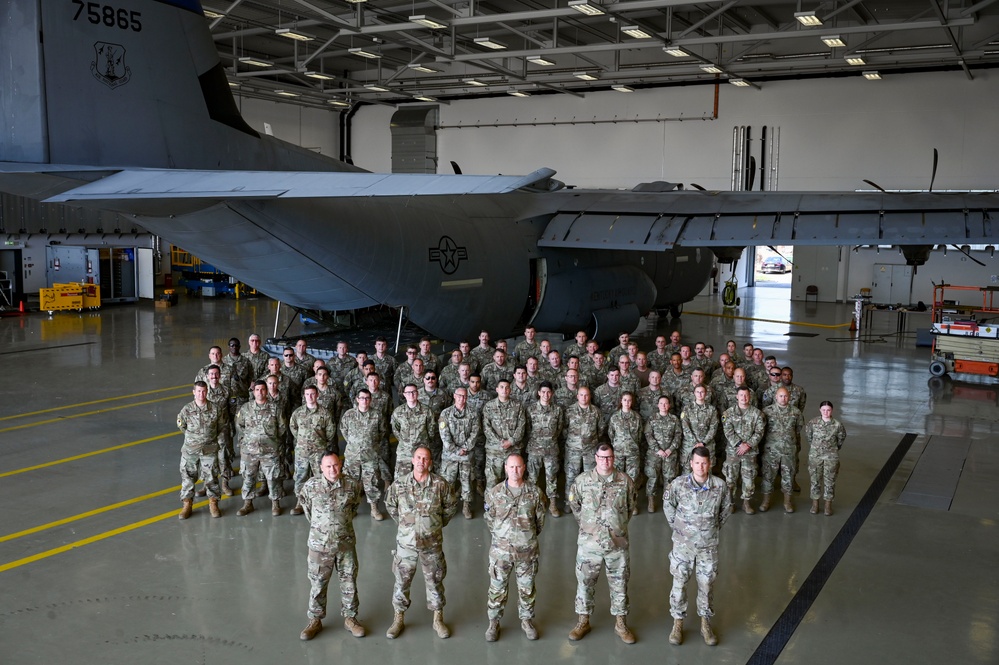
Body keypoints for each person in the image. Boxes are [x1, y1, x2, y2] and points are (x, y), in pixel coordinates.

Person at [566, 444, 638, 644]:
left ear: (613, 458)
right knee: (585, 583)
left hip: (617, 543)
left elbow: (631, 506)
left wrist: (617, 526)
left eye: (609, 457)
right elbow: (575, 505)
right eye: (601, 457)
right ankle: (583, 621)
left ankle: (621, 624)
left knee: (619, 584)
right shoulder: (582, 481)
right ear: (595, 458)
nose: (605, 461)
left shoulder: (625, 482)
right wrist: (589, 526)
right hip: (590, 545)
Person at [384, 447, 459, 639]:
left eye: (425, 458)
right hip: (406, 544)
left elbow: (450, 507)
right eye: (418, 457)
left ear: (430, 462)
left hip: (431, 544)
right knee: (402, 581)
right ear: (412, 460)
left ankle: (438, 619)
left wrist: (435, 524)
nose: (421, 461)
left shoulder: (440, 485)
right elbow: (391, 505)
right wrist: (405, 525)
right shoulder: (399, 484)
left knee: (435, 581)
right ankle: (398, 619)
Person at [663, 447, 732, 647]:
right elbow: (669, 506)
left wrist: (710, 529)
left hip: (707, 547)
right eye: (697, 463)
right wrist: (679, 528)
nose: (701, 467)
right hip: (682, 546)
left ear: (709, 464)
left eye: (704, 463)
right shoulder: (678, 485)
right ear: (690, 463)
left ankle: (705, 623)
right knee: (679, 584)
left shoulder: (720, 486)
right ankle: (677, 623)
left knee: (707, 584)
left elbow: (726, 510)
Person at [298, 452, 366, 641]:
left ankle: (351, 618)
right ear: (321, 467)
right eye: (328, 466)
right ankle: (315, 620)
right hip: (319, 546)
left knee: (349, 583)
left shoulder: (352, 485)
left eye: (335, 465)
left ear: (340, 464)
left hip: (345, 545)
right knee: (318, 584)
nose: (332, 469)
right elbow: (307, 510)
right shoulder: (311, 486)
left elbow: (353, 508)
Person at [483, 454, 547, 641]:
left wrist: (525, 537)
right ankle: (493, 623)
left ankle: (526, 621)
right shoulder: (495, 493)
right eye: (511, 467)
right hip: (501, 552)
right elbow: (489, 519)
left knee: (527, 589)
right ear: (505, 468)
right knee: (497, 588)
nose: (515, 470)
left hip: (527, 552)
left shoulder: (535, 493)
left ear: (524, 467)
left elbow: (540, 521)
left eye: (518, 467)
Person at [234, 380, 288, 516]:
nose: (260, 392)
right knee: (248, 476)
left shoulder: (275, 408)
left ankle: (275, 504)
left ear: (266, 391)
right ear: (253, 392)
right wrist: (246, 441)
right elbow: (239, 425)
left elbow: (282, 427)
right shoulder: (246, 408)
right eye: (257, 390)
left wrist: (271, 440)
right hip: (249, 451)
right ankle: (247, 503)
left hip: (270, 450)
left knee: (273, 477)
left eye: (263, 389)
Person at [176, 380, 224, 519]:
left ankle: (213, 503)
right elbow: (182, 426)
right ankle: (187, 504)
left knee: (211, 477)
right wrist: (194, 439)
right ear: (194, 392)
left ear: (207, 392)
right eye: (198, 391)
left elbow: (221, 426)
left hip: (209, 450)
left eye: (203, 391)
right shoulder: (186, 410)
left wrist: (208, 438)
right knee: (188, 478)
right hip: (190, 450)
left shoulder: (215, 409)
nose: (201, 394)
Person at [289, 385, 337, 515]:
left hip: (319, 452)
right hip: (302, 452)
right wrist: (302, 440)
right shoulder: (298, 413)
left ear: (317, 395)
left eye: (312, 394)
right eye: (307, 394)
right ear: (304, 396)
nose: (310, 397)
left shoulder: (325, 413)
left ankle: (321, 502)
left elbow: (330, 432)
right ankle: (300, 502)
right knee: (300, 477)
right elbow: (293, 427)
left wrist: (321, 443)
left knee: (321, 477)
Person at [340, 389, 387, 520]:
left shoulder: (377, 415)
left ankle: (374, 508)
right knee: (351, 482)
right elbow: (344, 430)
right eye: (362, 398)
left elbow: (382, 431)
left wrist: (371, 444)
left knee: (372, 481)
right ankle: (351, 508)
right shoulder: (349, 414)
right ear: (357, 399)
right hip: (352, 455)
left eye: (367, 398)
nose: (364, 401)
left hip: (370, 455)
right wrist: (354, 443)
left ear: (370, 399)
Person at [721, 386, 766, 514]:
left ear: (749, 397)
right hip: (733, 451)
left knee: (749, 479)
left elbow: (759, 431)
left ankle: (746, 503)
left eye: (746, 395)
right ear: (737, 396)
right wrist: (740, 444)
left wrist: (748, 445)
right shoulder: (728, 413)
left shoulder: (757, 414)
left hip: (750, 452)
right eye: (741, 395)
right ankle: (730, 503)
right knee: (730, 478)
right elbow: (728, 431)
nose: (744, 398)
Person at [438, 387, 481, 519]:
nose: (462, 398)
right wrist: (456, 450)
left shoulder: (473, 413)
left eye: (464, 396)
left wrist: (465, 448)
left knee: (467, 482)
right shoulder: (445, 413)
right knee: (447, 481)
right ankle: (447, 505)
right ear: (454, 396)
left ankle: (466, 506)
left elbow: (475, 433)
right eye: (459, 396)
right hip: (449, 455)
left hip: (466, 455)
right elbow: (444, 435)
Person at [760, 388, 804, 513]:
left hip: (788, 450)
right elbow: (761, 430)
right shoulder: (767, 412)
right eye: (781, 396)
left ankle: (787, 502)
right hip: (771, 450)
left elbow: (798, 428)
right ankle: (766, 501)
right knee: (768, 476)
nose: (783, 398)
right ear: (775, 397)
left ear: (789, 397)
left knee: (788, 476)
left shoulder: (796, 412)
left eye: (785, 396)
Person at [525, 381, 565, 516]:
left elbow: (559, 428)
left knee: (551, 477)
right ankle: (532, 503)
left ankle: (552, 504)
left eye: (548, 392)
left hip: (551, 449)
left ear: (552, 394)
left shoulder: (558, 410)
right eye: (543, 392)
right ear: (539, 393)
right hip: (534, 449)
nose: (546, 395)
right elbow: (528, 428)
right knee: (532, 478)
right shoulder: (530, 409)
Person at [481, 379, 527, 488]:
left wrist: (511, 441)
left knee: (514, 480)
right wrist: (500, 442)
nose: (504, 390)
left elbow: (522, 426)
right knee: (492, 481)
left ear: (510, 390)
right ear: (497, 389)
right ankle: (489, 504)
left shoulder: (518, 406)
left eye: (507, 387)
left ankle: (511, 504)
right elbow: (486, 427)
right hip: (494, 450)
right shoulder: (489, 406)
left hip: (513, 450)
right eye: (501, 387)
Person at [805, 401, 847, 516]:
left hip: (831, 457)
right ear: (820, 410)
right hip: (815, 456)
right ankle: (815, 504)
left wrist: (833, 449)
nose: (826, 412)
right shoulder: (813, 423)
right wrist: (816, 449)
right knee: (815, 480)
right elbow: (809, 437)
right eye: (823, 410)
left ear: (832, 411)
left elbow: (841, 439)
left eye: (828, 410)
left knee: (830, 481)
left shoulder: (837, 425)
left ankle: (828, 505)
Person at [644, 395, 682, 513]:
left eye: (666, 403)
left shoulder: (674, 419)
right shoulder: (652, 418)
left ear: (669, 405)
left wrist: (671, 449)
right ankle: (651, 500)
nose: (664, 406)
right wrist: (657, 449)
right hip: (654, 454)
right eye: (661, 403)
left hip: (670, 454)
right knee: (653, 477)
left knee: (669, 478)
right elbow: (648, 434)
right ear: (658, 405)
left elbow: (678, 435)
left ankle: (667, 501)